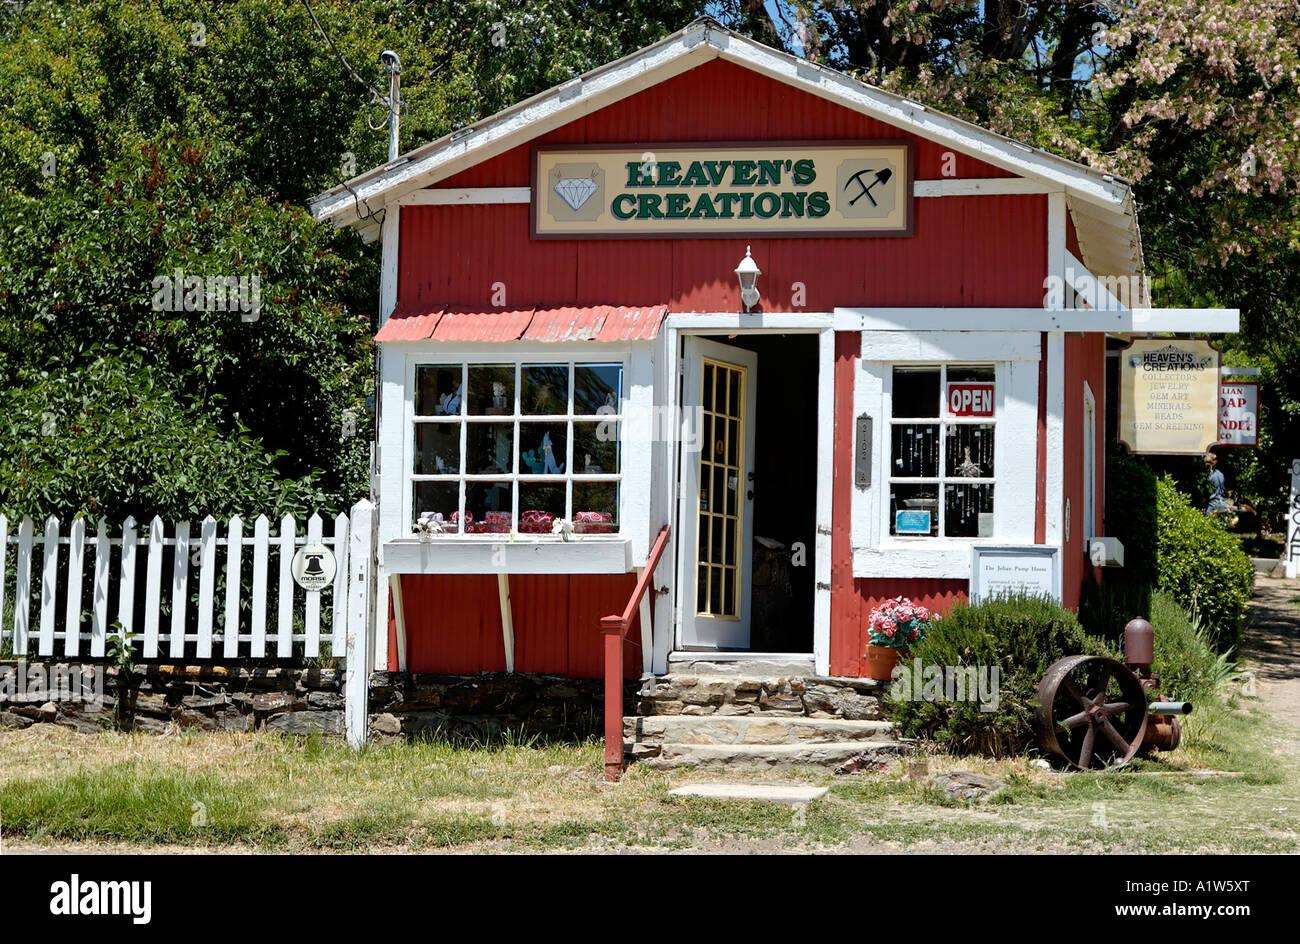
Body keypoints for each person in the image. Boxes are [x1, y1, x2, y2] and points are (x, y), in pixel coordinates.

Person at [1204, 451, 1229, 516]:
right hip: (1222, 503)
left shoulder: (1209, 476)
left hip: (1212, 505)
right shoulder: (1220, 474)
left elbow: (1207, 494)